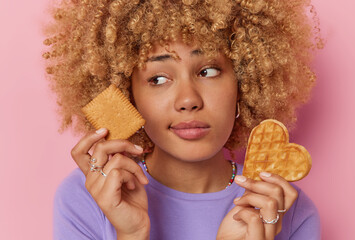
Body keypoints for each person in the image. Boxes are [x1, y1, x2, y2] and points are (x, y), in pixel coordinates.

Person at [43, 0, 322, 239]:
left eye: (208, 72)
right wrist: (131, 234)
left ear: (245, 81)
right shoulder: (88, 197)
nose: (188, 100)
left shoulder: (285, 208)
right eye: (158, 79)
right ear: (128, 96)